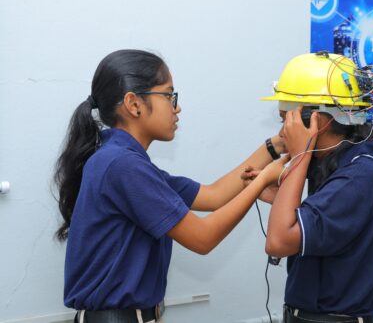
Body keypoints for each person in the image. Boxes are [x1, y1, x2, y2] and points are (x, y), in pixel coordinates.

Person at [53, 49, 289, 323]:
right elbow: (203, 238)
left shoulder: (122, 159)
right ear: (134, 104)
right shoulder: (122, 166)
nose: (176, 107)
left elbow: (213, 195)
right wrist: (262, 179)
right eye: (168, 95)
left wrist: (275, 146)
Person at [243, 52, 373, 323]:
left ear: (318, 120)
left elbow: (278, 242)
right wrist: (282, 197)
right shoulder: (334, 163)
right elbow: (323, 224)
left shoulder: (358, 178)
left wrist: (299, 156)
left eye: (286, 121)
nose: (282, 134)